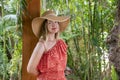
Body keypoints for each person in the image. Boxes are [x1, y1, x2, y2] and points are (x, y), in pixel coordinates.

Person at [27, 10, 70, 80]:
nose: (54, 25)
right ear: (45, 26)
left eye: (56, 22)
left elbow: (61, 65)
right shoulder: (42, 44)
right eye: (50, 22)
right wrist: (44, 75)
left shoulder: (61, 43)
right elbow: (30, 69)